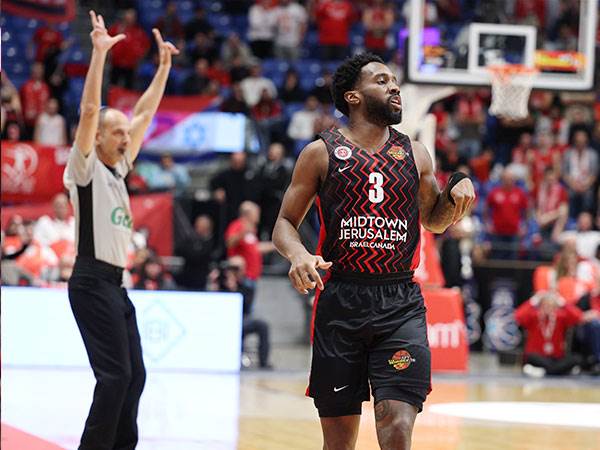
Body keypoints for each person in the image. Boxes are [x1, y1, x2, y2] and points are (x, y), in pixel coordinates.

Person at [272, 53, 475, 450]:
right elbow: (284, 223)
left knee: (396, 424)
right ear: (353, 96)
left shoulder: (415, 153)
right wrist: (298, 255)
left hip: (400, 303)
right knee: (339, 443)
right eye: (381, 81)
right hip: (341, 302)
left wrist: (457, 189)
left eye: (394, 80)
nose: (394, 86)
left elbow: (434, 221)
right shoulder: (320, 152)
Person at [63, 12, 178, 449]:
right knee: (114, 377)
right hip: (91, 281)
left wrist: (163, 68)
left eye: (126, 134)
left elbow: (144, 111)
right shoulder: (85, 170)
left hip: (115, 284)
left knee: (135, 376)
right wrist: (99, 54)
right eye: (116, 133)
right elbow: (89, 111)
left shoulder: (118, 169)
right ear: (98, 137)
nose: (126, 138)